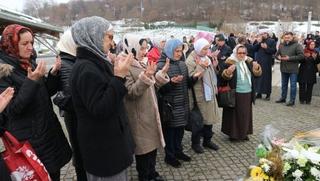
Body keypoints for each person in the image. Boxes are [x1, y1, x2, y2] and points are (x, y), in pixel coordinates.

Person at [0, 24, 72, 180]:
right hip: (30, 142)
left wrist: (53, 74)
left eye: (31, 43)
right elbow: (11, 110)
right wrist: (31, 82)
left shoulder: (28, 63)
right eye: (24, 43)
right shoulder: (3, 72)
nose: (30, 47)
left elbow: (44, 93)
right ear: (10, 45)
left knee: (54, 174)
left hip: (47, 135)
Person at [70, 16, 135, 180]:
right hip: (105, 152)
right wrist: (119, 77)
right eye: (109, 37)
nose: (113, 43)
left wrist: (117, 73)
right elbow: (101, 109)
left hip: (110, 146)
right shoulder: (87, 69)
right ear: (94, 36)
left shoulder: (95, 62)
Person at [122, 34, 170, 181]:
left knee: (152, 147)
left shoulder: (139, 62)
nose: (144, 51)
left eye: (145, 48)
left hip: (149, 113)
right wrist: (146, 76)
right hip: (138, 116)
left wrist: (161, 73)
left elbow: (153, 84)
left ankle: (152, 173)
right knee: (143, 151)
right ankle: (145, 176)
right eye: (141, 48)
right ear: (132, 48)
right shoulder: (124, 65)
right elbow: (130, 92)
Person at [157, 39, 202, 168]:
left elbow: (187, 84)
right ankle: (169, 156)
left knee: (179, 132)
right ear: (169, 50)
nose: (179, 53)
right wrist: (171, 82)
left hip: (182, 105)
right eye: (176, 51)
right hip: (170, 107)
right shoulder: (161, 65)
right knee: (170, 133)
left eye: (180, 50)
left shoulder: (182, 65)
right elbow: (159, 89)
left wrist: (194, 78)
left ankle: (178, 151)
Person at [55, 29, 87, 181]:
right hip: (75, 118)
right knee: (81, 153)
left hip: (77, 117)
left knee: (81, 151)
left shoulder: (71, 60)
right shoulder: (66, 63)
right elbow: (71, 97)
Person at [220, 45, 262, 141]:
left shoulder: (249, 61)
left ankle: (244, 133)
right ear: (236, 53)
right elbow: (222, 77)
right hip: (235, 92)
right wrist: (228, 72)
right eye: (240, 53)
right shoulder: (229, 62)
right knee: (234, 115)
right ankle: (233, 134)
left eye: (244, 53)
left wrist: (257, 69)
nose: (242, 55)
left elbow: (257, 75)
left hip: (248, 92)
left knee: (245, 115)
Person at [185, 38, 220, 154]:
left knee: (209, 119)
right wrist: (201, 67)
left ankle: (207, 140)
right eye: (204, 49)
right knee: (198, 121)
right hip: (199, 95)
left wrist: (214, 66)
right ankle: (195, 143)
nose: (206, 51)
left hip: (209, 93)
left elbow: (211, 75)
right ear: (198, 48)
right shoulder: (191, 60)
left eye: (207, 48)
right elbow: (190, 80)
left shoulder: (207, 59)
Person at [275, 32, 304, 106]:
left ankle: (292, 100)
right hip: (283, 68)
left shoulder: (297, 45)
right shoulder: (281, 46)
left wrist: (289, 58)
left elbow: (301, 56)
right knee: (284, 85)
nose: (287, 39)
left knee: (293, 86)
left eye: (288, 37)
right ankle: (283, 98)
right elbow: (276, 55)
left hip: (293, 69)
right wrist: (277, 57)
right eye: (285, 37)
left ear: (292, 37)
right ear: (284, 38)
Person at [253, 32, 277, 100]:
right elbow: (254, 49)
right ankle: (259, 93)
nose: (262, 35)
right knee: (258, 77)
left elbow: (273, 51)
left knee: (266, 78)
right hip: (259, 61)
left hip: (267, 62)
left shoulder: (272, 41)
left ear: (267, 34)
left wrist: (266, 48)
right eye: (261, 33)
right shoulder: (259, 40)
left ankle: (268, 94)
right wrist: (258, 42)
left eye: (264, 33)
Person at [298, 40, 320, 104]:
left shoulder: (316, 52)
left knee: (310, 86)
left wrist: (315, 58)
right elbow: (299, 61)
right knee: (302, 86)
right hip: (303, 71)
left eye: (313, 44)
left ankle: (308, 100)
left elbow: (318, 62)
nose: (312, 46)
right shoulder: (304, 51)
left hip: (311, 72)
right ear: (308, 45)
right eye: (311, 44)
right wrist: (304, 57)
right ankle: (302, 99)